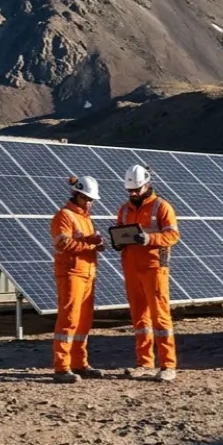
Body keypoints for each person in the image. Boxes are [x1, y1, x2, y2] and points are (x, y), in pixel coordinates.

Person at [114, 164, 180, 382]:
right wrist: (118, 241)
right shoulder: (124, 209)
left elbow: (172, 236)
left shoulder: (161, 207)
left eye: (137, 190)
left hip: (154, 267)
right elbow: (119, 230)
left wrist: (149, 239)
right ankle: (144, 362)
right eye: (130, 191)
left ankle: (168, 364)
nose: (133, 194)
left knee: (160, 316)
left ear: (147, 185)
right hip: (131, 267)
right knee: (139, 316)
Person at [50, 175, 107, 383]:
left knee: (84, 321)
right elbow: (63, 243)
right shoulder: (64, 216)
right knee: (69, 320)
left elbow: (84, 242)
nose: (89, 203)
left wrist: (94, 243)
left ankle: (79, 363)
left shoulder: (85, 217)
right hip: (71, 273)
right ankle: (62, 367)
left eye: (91, 200)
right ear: (76, 195)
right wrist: (90, 244)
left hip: (87, 273)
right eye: (86, 198)